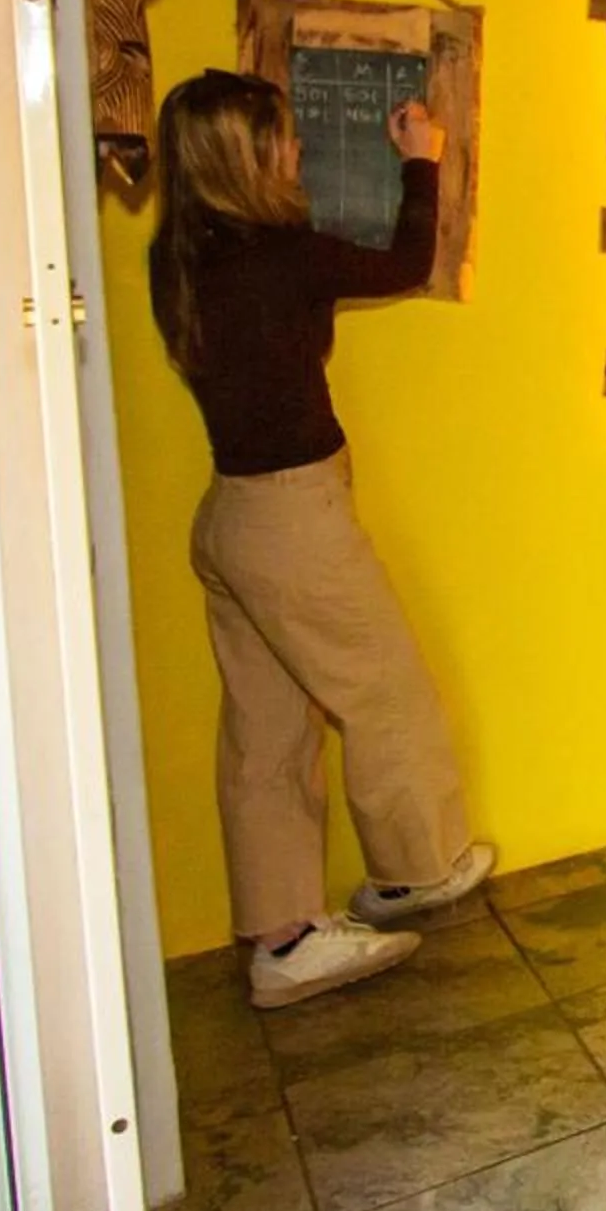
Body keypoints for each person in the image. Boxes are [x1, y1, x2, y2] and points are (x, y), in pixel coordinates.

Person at [148, 70, 495, 1009]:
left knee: (265, 734)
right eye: (283, 138)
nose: (297, 149)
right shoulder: (277, 256)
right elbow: (403, 262)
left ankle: (284, 938)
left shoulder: (180, 256)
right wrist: (422, 164)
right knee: (385, 692)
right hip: (293, 519)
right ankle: (414, 872)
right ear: (245, 156)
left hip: (232, 520)